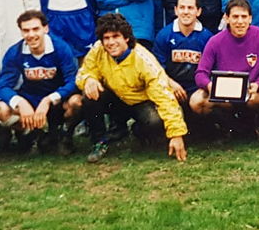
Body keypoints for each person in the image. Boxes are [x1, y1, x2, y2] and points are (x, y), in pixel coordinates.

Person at [76, 13, 188, 163]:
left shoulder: (143, 60)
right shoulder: (98, 50)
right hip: (115, 99)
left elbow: (164, 97)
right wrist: (89, 79)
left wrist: (176, 134)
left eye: (116, 36)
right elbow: (84, 71)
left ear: (126, 38)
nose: (111, 42)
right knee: (89, 94)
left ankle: (137, 131)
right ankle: (99, 141)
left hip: (140, 102)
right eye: (106, 38)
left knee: (154, 121)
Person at [191, 0, 259, 144]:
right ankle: (226, 129)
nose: (240, 21)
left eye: (244, 17)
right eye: (235, 17)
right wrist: (211, 87)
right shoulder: (215, 41)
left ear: (250, 18)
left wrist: (258, 84)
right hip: (225, 94)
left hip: (253, 90)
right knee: (197, 102)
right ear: (226, 18)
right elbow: (201, 73)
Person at [0, 10, 83, 155]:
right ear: (21, 32)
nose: (31, 35)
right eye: (26, 30)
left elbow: (73, 81)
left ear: (45, 29)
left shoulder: (61, 48)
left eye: (35, 29)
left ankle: (64, 136)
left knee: (77, 102)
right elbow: (2, 86)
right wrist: (20, 103)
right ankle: (32, 135)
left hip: (56, 100)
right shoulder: (15, 52)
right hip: (30, 100)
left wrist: (49, 99)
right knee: (1, 110)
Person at [152, 0, 215, 132]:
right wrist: (171, 84)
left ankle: (209, 131)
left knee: (202, 103)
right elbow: (156, 69)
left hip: (197, 89)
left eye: (190, 8)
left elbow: (211, 70)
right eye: (182, 7)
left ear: (198, 11)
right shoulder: (164, 35)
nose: (186, 12)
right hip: (172, 87)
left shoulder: (207, 37)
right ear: (175, 10)